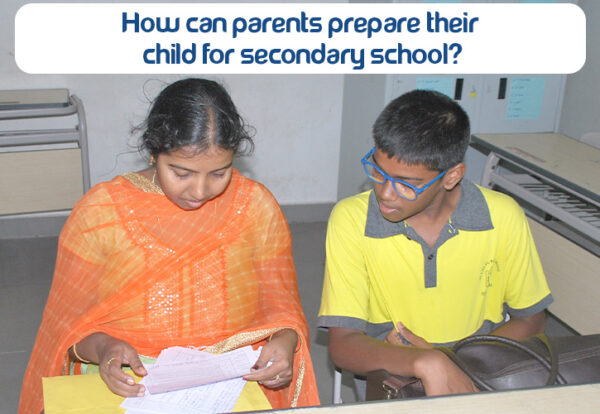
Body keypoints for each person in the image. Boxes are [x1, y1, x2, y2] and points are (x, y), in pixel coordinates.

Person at [19, 78, 320, 413]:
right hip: (131, 384)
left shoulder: (255, 207)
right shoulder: (102, 213)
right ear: (154, 151)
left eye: (219, 174)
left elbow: (282, 308)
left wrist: (284, 341)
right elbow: (67, 330)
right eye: (181, 173)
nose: (199, 190)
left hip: (229, 382)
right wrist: (105, 349)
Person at [318, 89, 553, 399]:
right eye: (378, 171)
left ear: (451, 176)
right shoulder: (351, 220)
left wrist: (450, 361)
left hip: (482, 367)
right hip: (392, 372)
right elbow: (344, 344)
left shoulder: (502, 215)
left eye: (407, 184)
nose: (386, 193)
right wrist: (426, 361)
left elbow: (532, 318)